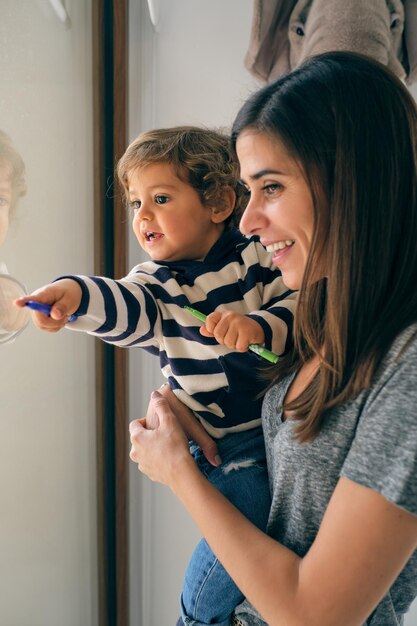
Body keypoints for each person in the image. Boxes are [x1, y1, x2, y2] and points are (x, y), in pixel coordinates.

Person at [128, 51, 417, 626]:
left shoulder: (407, 365)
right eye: (247, 190)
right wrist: (201, 423)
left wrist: (179, 475)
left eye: (272, 187)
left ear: (353, 179)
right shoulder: (323, 311)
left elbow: (316, 614)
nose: (247, 221)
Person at [15, 126, 296, 626]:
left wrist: (259, 324)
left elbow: (300, 305)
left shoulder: (257, 254)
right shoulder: (157, 284)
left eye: (160, 198)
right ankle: (198, 616)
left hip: (279, 427)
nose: (142, 216)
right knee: (248, 504)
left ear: (219, 203)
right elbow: (120, 304)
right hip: (221, 440)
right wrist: (72, 296)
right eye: (135, 203)